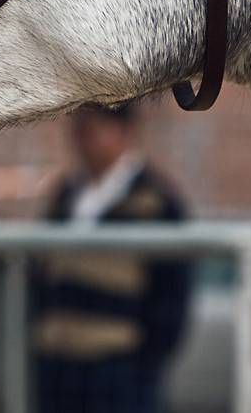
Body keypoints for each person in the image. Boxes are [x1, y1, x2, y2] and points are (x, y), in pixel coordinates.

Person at [31, 103, 192, 413]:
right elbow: (40, 274)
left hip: (118, 373)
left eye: (92, 129)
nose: (80, 139)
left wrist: (142, 366)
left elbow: (172, 296)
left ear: (123, 131)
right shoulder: (65, 195)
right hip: (58, 369)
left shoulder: (158, 203)